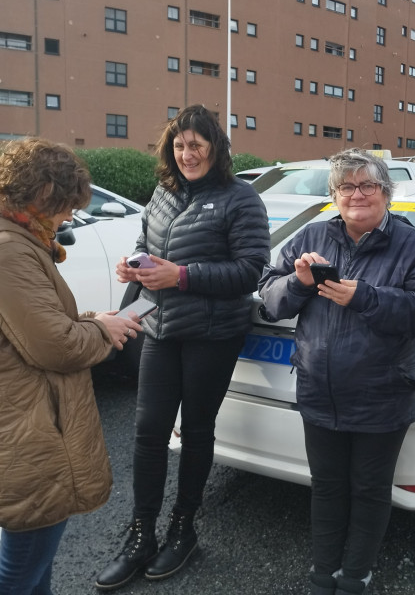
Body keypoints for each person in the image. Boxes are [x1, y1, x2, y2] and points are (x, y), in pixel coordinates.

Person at [95, 105, 270, 590]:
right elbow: (145, 239)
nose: (187, 154)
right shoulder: (163, 193)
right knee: (148, 432)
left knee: (195, 430)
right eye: (179, 145)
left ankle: (183, 527)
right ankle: (141, 533)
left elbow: (251, 270)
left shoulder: (241, 198)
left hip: (212, 334)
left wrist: (182, 276)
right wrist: (134, 266)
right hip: (160, 328)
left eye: (196, 145)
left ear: (215, 148)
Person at [259, 148, 415, 595]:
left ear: (386, 193)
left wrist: (366, 297)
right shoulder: (311, 237)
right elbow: (268, 297)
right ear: (335, 195)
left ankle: (356, 574)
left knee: (370, 489)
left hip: (384, 393)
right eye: (346, 187)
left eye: (367, 185)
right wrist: (299, 283)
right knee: (326, 488)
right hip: (319, 389)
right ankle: (324, 574)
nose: (357, 194)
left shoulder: (414, 245)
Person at [0, 137, 143, 595]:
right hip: (30, 425)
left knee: (33, 567)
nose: (69, 217)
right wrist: (106, 332)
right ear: (44, 193)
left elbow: (29, 324)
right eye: (67, 205)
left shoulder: (21, 238)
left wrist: (92, 318)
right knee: (19, 570)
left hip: (28, 419)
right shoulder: (11, 249)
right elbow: (55, 347)